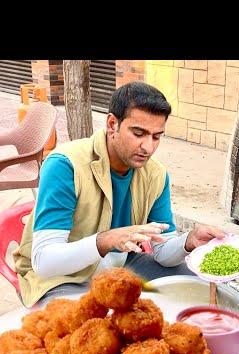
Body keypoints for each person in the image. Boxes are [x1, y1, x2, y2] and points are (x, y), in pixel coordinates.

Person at [14, 81, 226, 308]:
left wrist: (188, 241)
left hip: (121, 265)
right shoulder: (66, 165)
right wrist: (106, 240)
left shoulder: (156, 175)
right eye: (139, 133)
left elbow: (163, 251)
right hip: (63, 277)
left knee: (199, 288)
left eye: (156, 136)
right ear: (112, 124)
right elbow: (44, 262)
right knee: (93, 329)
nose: (148, 147)